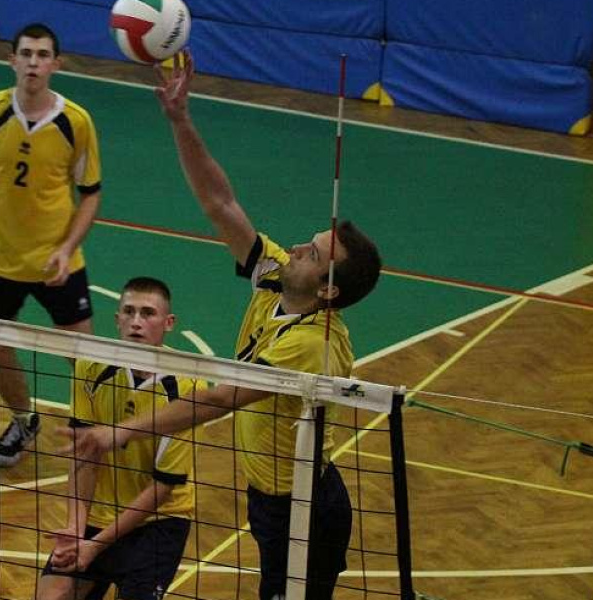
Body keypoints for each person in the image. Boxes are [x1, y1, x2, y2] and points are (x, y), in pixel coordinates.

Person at [63, 52, 383, 600]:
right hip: (268, 494)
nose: (296, 248)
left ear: (328, 290)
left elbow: (219, 399)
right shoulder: (276, 280)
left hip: (303, 508)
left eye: (312, 253)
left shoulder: (314, 345)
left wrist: (121, 432)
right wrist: (180, 119)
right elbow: (220, 202)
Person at [0, 22, 103, 467]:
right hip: (0, 259)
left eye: (42, 55)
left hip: (57, 261)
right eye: (26, 54)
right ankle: (23, 421)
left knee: (85, 358)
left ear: (56, 64)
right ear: (12, 61)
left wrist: (66, 248)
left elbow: (90, 194)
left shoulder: (75, 122)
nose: (33, 63)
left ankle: (99, 427)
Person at [38, 277, 204, 600]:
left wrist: (95, 547)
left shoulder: (187, 388)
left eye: (148, 313)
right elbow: (85, 455)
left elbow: (162, 487)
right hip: (98, 513)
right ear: (117, 319)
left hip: (158, 521)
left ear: (168, 323)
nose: (136, 322)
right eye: (129, 312)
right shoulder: (90, 367)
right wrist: (76, 527)